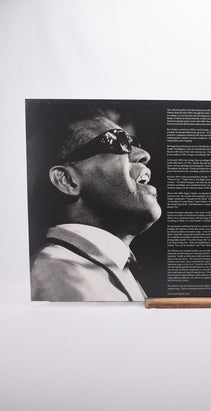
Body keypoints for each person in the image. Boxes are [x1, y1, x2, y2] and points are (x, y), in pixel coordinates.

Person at [29, 107, 162, 301]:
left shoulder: (112, 269)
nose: (144, 154)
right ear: (67, 180)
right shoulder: (57, 270)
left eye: (134, 143)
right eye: (119, 141)